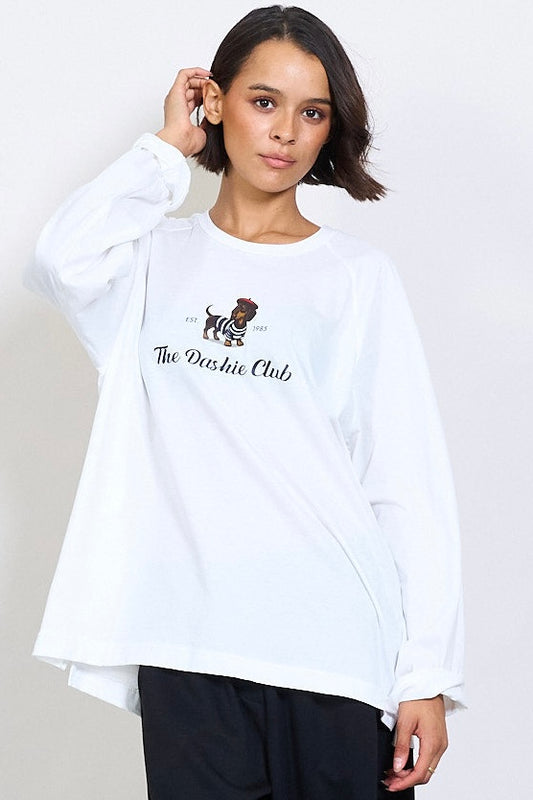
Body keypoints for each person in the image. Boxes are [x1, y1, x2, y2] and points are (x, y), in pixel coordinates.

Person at [24, 5, 466, 798]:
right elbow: (62, 258)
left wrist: (425, 673)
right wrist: (167, 148)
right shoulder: (148, 262)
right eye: (263, 101)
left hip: (331, 651)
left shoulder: (353, 278)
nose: (285, 132)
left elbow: (405, 481)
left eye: (312, 112)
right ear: (215, 100)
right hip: (185, 649)